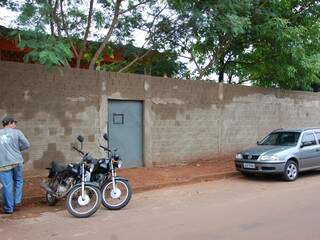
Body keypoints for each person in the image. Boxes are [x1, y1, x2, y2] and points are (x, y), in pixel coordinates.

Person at [0, 116, 30, 214]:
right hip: (17, 161)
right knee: (18, 181)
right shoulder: (17, 132)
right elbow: (27, 144)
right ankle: (17, 201)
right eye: (14, 123)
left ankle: (9, 208)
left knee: (7, 185)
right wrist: (17, 149)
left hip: (3, 163)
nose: (15, 125)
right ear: (9, 123)